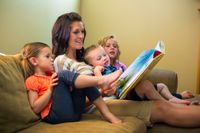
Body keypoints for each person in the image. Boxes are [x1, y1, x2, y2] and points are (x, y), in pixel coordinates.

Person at [52, 12, 200, 127]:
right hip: (96, 107)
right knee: (160, 108)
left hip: (113, 96)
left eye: (82, 31)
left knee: (148, 89)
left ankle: (178, 102)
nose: (81, 36)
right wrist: (101, 91)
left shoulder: (85, 60)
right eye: (76, 32)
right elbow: (76, 102)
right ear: (64, 34)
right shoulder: (61, 61)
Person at [23, 42, 122, 124]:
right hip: (54, 116)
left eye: (52, 56)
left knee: (84, 81)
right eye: (47, 56)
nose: (52, 59)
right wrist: (50, 90)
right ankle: (102, 80)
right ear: (34, 61)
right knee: (60, 75)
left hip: (74, 113)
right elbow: (35, 108)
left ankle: (106, 114)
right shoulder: (32, 80)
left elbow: (64, 94)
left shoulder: (51, 75)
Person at [83, 44, 191, 104]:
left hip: (131, 88)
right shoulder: (98, 72)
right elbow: (102, 83)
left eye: (104, 55)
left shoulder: (114, 66)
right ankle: (167, 104)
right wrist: (97, 70)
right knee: (146, 85)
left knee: (162, 86)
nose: (104, 58)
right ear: (92, 65)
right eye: (99, 58)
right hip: (124, 94)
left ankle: (172, 98)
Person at [98, 35, 194, 100]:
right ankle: (178, 97)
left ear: (118, 51)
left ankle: (176, 97)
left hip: (132, 89)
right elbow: (101, 82)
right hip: (122, 94)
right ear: (102, 50)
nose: (112, 48)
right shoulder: (102, 67)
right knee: (148, 90)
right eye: (108, 46)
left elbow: (129, 77)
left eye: (115, 46)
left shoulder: (121, 65)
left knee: (160, 86)